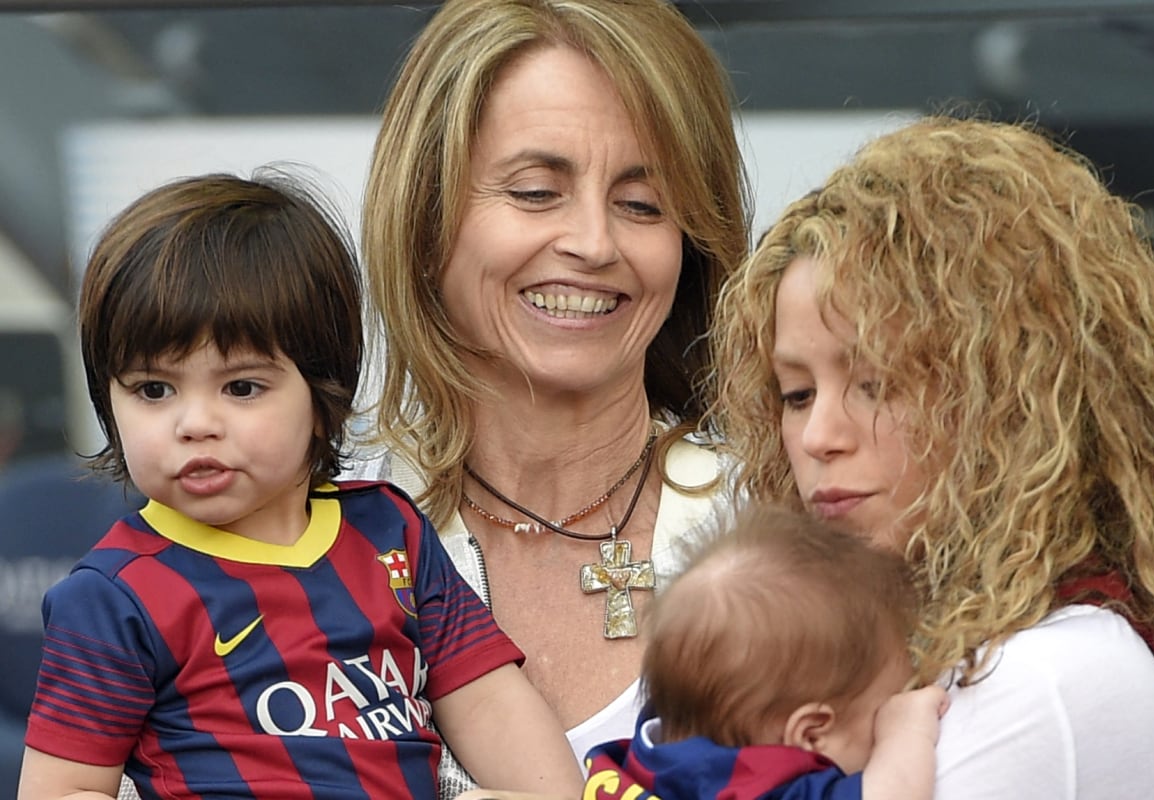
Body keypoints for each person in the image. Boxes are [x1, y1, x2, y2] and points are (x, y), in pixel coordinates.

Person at [17, 172, 582, 800]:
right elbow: (59, 791)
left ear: (322, 397)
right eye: (154, 390)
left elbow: (488, 701)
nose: (194, 423)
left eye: (241, 387)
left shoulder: (390, 530)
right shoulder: (111, 596)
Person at [708, 115, 1154, 798]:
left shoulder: (1039, 677)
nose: (819, 435)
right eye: (795, 394)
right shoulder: (934, 654)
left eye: (877, 384)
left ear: (1016, 394)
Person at [358, 0, 750, 792]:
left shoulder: (778, 522)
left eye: (642, 205)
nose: (594, 244)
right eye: (537, 192)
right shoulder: (308, 538)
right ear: (425, 217)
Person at [584, 503, 948, 800]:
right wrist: (907, 727)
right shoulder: (775, 791)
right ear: (811, 736)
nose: (909, 696)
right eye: (891, 702)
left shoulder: (629, 765)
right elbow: (895, 791)